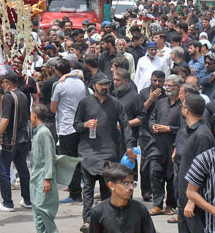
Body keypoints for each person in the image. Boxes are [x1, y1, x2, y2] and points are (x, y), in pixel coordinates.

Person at [74, 72, 136, 233]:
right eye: (101, 84)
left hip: (109, 153)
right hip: (88, 151)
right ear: (94, 85)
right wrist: (85, 125)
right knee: (87, 189)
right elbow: (76, 124)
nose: (105, 87)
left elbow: (125, 125)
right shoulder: (85, 103)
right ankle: (88, 221)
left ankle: (108, 221)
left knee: (107, 189)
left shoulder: (115, 103)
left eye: (107, 84)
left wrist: (129, 146)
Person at [0, 71, 32, 212]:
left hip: (10, 140)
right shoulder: (23, 95)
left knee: (3, 170)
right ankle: (27, 199)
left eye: (2, 83)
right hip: (23, 138)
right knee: (23, 169)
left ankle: (7, 202)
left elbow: (5, 119)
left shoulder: (8, 97)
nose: (0, 86)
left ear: (8, 82)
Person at [177, 94, 215, 233]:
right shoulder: (193, 132)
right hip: (184, 198)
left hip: (194, 203)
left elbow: (203, 171)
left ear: (186, 110)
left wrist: (192, 201)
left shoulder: (202, 135)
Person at [51, 59, 85, 204]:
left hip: (66, 127)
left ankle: (75, 193)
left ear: (58, 72)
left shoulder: (60, 85)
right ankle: (79, 189)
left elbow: (53, 108)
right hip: (80, 125)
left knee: (70, 162)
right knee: (78, 159)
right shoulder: (80, 82)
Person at [148, 74, 182, 216]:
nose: (167, 88)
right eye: (166, 85)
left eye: (170, 86)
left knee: (172, 176)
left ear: (178, 88)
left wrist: (169, 129)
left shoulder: (182, 105)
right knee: (155, 173)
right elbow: (151, 118)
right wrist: (153, 126)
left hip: (173, 146)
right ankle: (157, 204)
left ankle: (170, 205)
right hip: (158, 145)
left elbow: (184, 127)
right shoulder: (161, 102)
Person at [88, 163, 156, 233]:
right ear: (111, 185)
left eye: (132, 183)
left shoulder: (140, 209)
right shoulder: (98, 212)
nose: (131, 188)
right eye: (125, 183)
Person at [29, 103, 60, 233]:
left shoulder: (44, 133)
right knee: (37, 210)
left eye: (31, 114)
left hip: (43, 177)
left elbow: (49, 156)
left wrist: (47, 178)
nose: (30, 117)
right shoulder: (37, 132)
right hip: (36, 177)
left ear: (34, 116)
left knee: (43, 209)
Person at [138, 71, 167, 202]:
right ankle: (146, 191)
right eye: (155, 80)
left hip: (159, 131)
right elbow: (140, 111)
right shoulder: (143, 93)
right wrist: (151, 99)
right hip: (145, 131)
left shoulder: (166, 95)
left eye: (160, 81)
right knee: (145, 162)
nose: (157, 83)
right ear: (150, 80)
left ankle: (159, 192)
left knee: (157, 163)